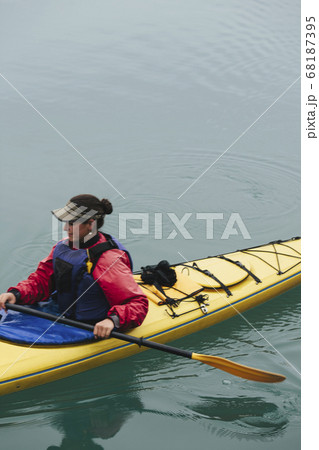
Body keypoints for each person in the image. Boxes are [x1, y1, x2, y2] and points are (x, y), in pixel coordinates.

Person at [0, 194, 148, 339]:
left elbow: (138, 304)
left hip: (91, 325)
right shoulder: (64, 246)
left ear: (91, 224)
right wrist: (16, 294)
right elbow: (42, 280)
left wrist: (112, 320)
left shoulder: (108, 261)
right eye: (66, 223)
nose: (65, 228)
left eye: (72, 223)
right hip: (61, 313)